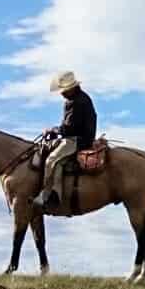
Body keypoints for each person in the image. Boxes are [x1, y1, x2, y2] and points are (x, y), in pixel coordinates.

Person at [34, 71, 98, 210]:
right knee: (59, 162)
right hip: (80, 137)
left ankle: (45, 195)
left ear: (71, 88)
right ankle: (56, 194)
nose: (61, 93)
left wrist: (52, 130)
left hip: (78, 140)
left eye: (63, 90)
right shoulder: (81, 98)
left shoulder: (76, 102)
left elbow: (68, 128)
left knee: (51, 159)